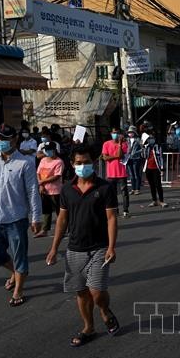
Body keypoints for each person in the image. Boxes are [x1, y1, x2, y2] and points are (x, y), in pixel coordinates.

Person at [45, 145, 120, 347]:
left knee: (96, 292)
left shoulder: (105, 188)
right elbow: (62, 219)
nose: (83, 166)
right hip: (75, 248)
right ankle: (89, 327)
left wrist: (111, 247)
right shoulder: (67, 189)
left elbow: (111, 218)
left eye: (87, 162)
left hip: (99, 247)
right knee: (81, 291)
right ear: (72, 164)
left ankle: (104, 310)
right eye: (79, 163)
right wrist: (54, 248)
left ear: (93, 162)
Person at [0, 124, 42, 307]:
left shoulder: (25, 163)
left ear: (14, 139)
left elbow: (32, 192)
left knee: (20, 255)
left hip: (17, 218)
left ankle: (19, 289)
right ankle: (15, 272)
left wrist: (36, 217)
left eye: (4, 138)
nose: (0, 142)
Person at [35, 142, 64, 238]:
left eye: (49, 149)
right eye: (46, 149)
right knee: (46, 211)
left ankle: (62, 230)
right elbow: (38, 173)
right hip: (44, 190)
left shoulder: (59, 161)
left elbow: (56, 176)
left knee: (59, 211)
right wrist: (41, 184)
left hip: (55, 190)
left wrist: (42, 182)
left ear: (54, 150)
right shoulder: (43, 160)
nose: (47, 151)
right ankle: (44, 230)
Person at [101, 127, 130, 218]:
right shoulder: (106, 144)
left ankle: (125, 210)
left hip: (122, 173)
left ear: (120, 134)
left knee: (124, 193)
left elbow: (121, 155)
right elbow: (105, 157)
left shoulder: (124, 144)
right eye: (114, 132)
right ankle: (115, 209)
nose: (115, 134)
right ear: (111, 133)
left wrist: (120, 144)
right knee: (112, 193)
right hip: (111, 173)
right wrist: (115, 156)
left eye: (117, 133)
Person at [143, 134, 167, 208]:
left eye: (152, 138)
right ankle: (154, 200)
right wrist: (143, 147)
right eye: (149, 138)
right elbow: (143, 156)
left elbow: (161, 158)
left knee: (158, 185)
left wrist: (162, 168)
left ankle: (161, 201)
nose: (151, 139)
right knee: (152, 185)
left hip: (156, 168)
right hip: (148, 168)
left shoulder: (158, 147)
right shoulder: (146, 147)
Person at [126, 125, 143, 195]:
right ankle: (133, 189)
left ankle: (137, 189)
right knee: (131, 174)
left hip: (136, 158)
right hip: (128, 158)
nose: (130, 133)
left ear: (134, 132)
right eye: (129, 132)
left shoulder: (138, 139)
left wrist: (136, 152)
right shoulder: (126, 140)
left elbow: (143, 148)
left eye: (131, 132)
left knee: (136, 174)